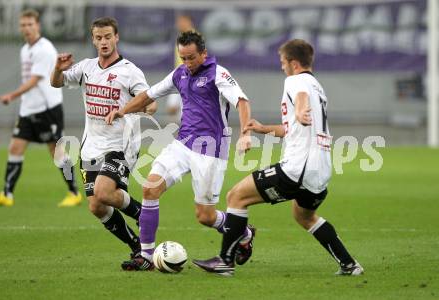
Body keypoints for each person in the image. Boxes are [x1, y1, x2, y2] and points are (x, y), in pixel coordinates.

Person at [193, 39, 364, 277]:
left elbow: (301, 98)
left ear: (293, 63)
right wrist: (262, 129)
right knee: (304, 215)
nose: (282, 67)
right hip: (320, 171)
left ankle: (225, 261)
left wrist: (301, 109)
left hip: (297, 169)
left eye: (283, 62)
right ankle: (349, 264)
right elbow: (292, 128)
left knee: (236, 196)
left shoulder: (296, 81)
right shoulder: (318, 87)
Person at [106, 30, 255, 271]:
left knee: (205, 216)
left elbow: (242, 101)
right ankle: (145, 256)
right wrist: (123, 111)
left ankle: (245, 233)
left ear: (204, 54)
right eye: (182, 58)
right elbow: (148, 94)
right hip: (182, 144)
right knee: (149, 187)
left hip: (210, 151)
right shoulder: (180, 74)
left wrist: (246, 134)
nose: (187, 63)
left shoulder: (218, 73)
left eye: (191, 58)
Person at [51, 17, 157, 258]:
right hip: (91, 147)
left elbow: (151, 104)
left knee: (104, 192)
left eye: (108, 37)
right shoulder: (87, 67)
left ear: (116, 37)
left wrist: (132, 109)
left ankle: (143, 215)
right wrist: (58, 68)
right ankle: (136, 246)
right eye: (99, 38)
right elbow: (56, 83)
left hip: (121, 145)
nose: (104, 42)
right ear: (93, 40)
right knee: (96, 206)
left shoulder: (129, 72)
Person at [0, 9, 81, 208]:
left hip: (47, 108)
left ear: (38, 26)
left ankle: (74, 192)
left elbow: (35, 80)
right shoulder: (25, 49)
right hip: (28, 109)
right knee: (15, 147)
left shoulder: (44, 49)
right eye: (23, 25)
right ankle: (7, 193)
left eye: (30, 24)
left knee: (57, 152)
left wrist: (12, 95)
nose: (26, 28)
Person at [166, 14, 195, 118]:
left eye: (181, 21)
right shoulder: (181, 37)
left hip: (188, 77)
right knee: (172, 109)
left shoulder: (194, 38)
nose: (178, 24)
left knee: (180, 111)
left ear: (188, 21)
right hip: (179, 75)